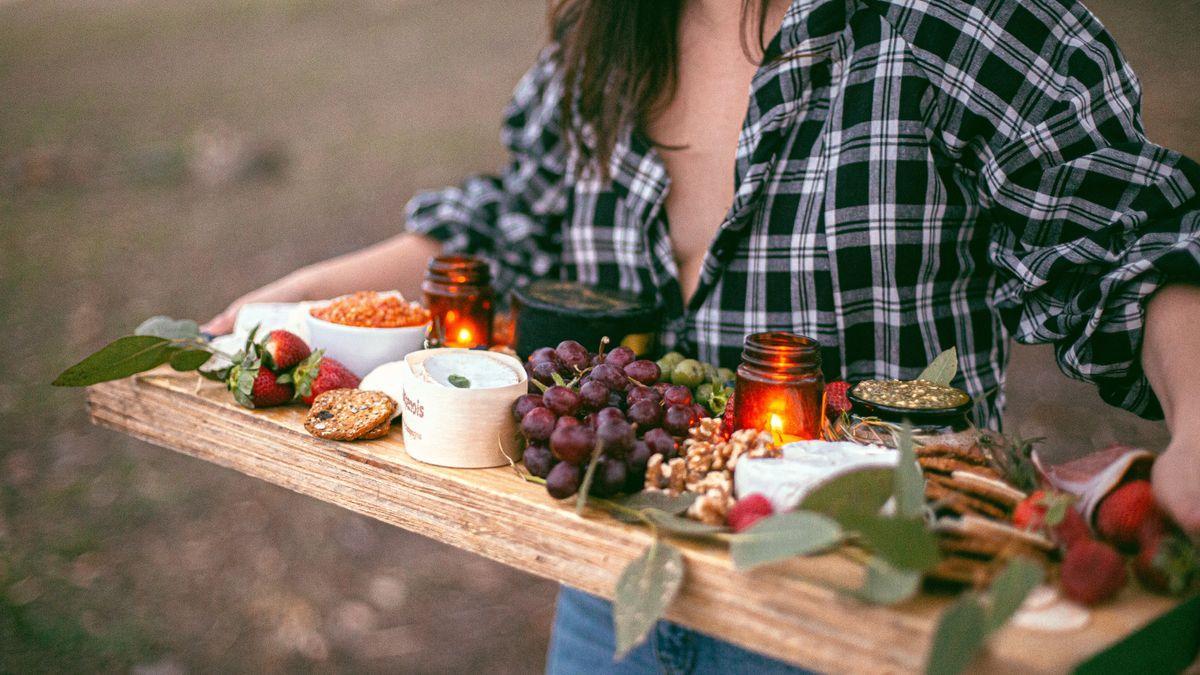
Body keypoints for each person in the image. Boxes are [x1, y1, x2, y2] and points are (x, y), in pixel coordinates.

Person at [205, 0, 1200, 670]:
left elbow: (1129, 239)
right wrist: (296, 301)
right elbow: (510, 219)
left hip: (867, 614)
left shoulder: (963, 25)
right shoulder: (606, 33)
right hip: (611, 598)